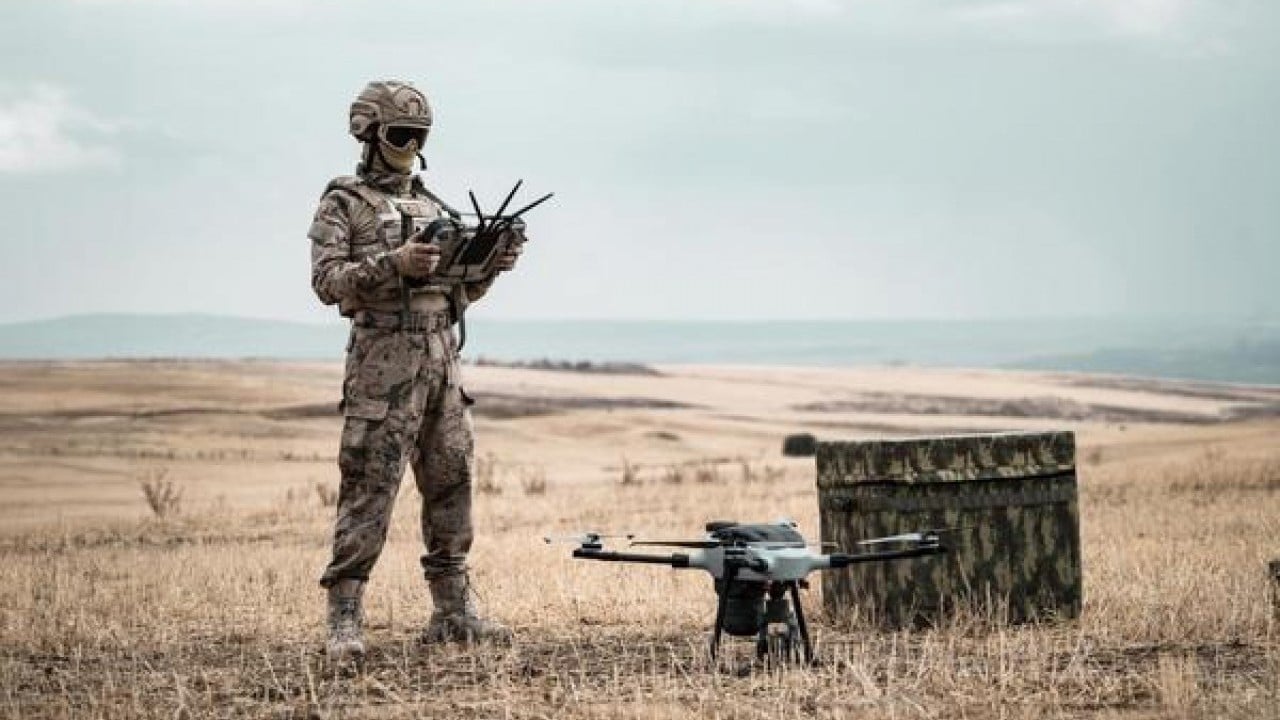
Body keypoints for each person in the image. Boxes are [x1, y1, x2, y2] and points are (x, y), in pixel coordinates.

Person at [307, 79, 520, 660]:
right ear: (369, 133)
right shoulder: (342, 204)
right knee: (370, 485)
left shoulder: (433, 206)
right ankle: (345, 615)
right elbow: (327, 283)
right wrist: (392, 264)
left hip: (442, 359)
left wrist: (489, 264)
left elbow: (456, 295)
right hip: (382, 362)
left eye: (418, 136)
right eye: (399, 133)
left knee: (453, 480)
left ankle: (453, 610)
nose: (409, 144)